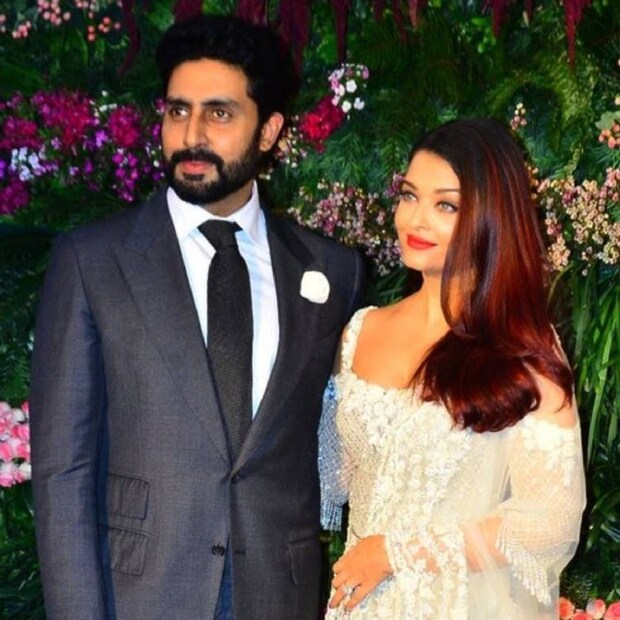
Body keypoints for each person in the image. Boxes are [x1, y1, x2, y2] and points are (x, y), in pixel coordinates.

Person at [30, 14, 365, 620]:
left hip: (277, 595)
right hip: (139, 595)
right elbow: (63, 471)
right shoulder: (92, 261)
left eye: (220, 114)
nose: (191, 136)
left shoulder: (331, 271)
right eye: (178, 111)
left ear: (269, 131)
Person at [319, 118, 586, 619]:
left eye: (446, 205)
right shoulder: (359, 331)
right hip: (359, 605)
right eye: (409, 196)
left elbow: (550, 521)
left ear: (492, 217)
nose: (415, 220)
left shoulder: (521, 347)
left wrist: (396, 553)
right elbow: (327, 482)